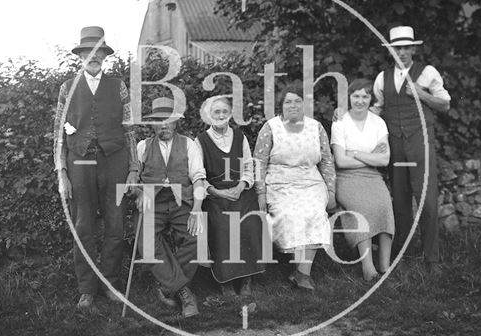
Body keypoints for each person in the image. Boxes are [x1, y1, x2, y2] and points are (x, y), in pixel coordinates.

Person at [54, 26, 139, 310]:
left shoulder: (118, 86)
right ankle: (87, 289)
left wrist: (133, 169)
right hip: (79, 162)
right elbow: (58, 134)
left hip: (114, 161)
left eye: (98, 52)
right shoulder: (67, 87)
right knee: (83, 226)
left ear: (104, 54)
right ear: (80, 56)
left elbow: (129, 130)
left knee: (115, 225)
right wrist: (61, 173)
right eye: (88, 52)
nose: (93, 57)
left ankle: (111, 285)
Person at [373, 25, 451, 272]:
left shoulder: (427, 73)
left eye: (407, 48)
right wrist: (345, 116)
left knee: (427, 202)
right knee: (400, 202)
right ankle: (403, 256)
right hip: (396, 146)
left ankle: (432, 260)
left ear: (414, 49)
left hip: (420, 143)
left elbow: (445, 105)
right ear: (391, 51)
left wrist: (421, 94)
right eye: (398, 48)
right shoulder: (381, 78)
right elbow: (374, 110)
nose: (402, 52)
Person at [253, 86, 336, 291]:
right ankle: (299, 271)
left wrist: (331, 191)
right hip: (280, 182)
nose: (293, 105)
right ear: (281, 106)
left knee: (314, 213)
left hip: (310, 181)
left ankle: (302, 273)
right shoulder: (271, 127)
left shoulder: (315, 127)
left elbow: (326, 161)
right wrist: (261, 192)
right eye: (288, 101)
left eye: (298, 101)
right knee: (290, 214)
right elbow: (259, 162)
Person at [134, 97, 206, 318]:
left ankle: (168, 287)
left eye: (168, 120)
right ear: (152, 125)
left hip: (181, 202)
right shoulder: (143, 146)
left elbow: (199, 179)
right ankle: (184, 293)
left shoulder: (189, 144)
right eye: (158, 121)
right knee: (145, 242)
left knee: (197, 239)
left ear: (175, 122)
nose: (163, 125)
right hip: (152, 202)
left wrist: (196, 209)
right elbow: (134, 178)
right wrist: (138, 192)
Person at [195, 96, 265, 297]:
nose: (220, 115)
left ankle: (246, 279)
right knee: (222, 225)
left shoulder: (239, 136)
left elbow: (248, 167)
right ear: (209, 115)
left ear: (230, 115)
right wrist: (216, 191)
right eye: (216, 112)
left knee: (249, 223)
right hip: (215, 194)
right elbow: (198, 175)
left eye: (224, 111)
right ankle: (225, 281)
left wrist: (241, 185)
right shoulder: (200, 141)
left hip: (240, 191)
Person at [331, 78, 394, 281]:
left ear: (371, 99)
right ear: (349, 98)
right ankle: (368, 268)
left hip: (373, 176)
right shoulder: (340, 122)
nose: (360, 100)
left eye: (365, 96)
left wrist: (355, 153)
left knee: (385, 205)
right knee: (363, 208)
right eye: (356, 96)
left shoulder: (378, 123)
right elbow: (340, 161)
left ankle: (385, 265)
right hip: (346, 179)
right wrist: (369, 156)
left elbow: (384, 159)